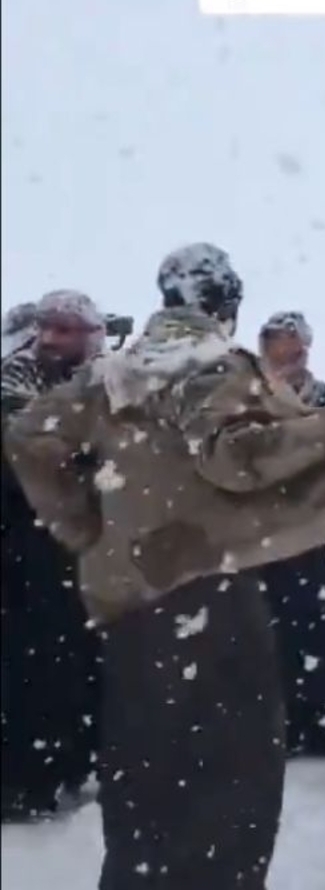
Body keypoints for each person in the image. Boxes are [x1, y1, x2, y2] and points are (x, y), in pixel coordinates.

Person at [4, 243, 325, 890]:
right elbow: (233, 455)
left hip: (128, 608)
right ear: (228, 306)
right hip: (214, 598)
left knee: (141, 780)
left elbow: (31, 439)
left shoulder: (110, 373)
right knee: (233, 786)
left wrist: (82, 527)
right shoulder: (218, 364)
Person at [0, 291, 105, 822]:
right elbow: (39, 443)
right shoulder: (14, 378)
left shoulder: (102, 381)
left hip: (80, 549)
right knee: (27, 667)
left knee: (79, 663)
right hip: (23, 547)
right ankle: (24, 782)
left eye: (66, 330)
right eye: (48, 328)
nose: (52, 339)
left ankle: (69, 764)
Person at [255, 310, 325, 758]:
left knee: (313, 621)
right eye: (280, 341)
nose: (289, 350)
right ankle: (282, 721)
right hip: (263, 526)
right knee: (272, 625)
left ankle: (323, 719)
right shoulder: (249, 390)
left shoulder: (318, 392)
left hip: (306, 525)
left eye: (295, 342)